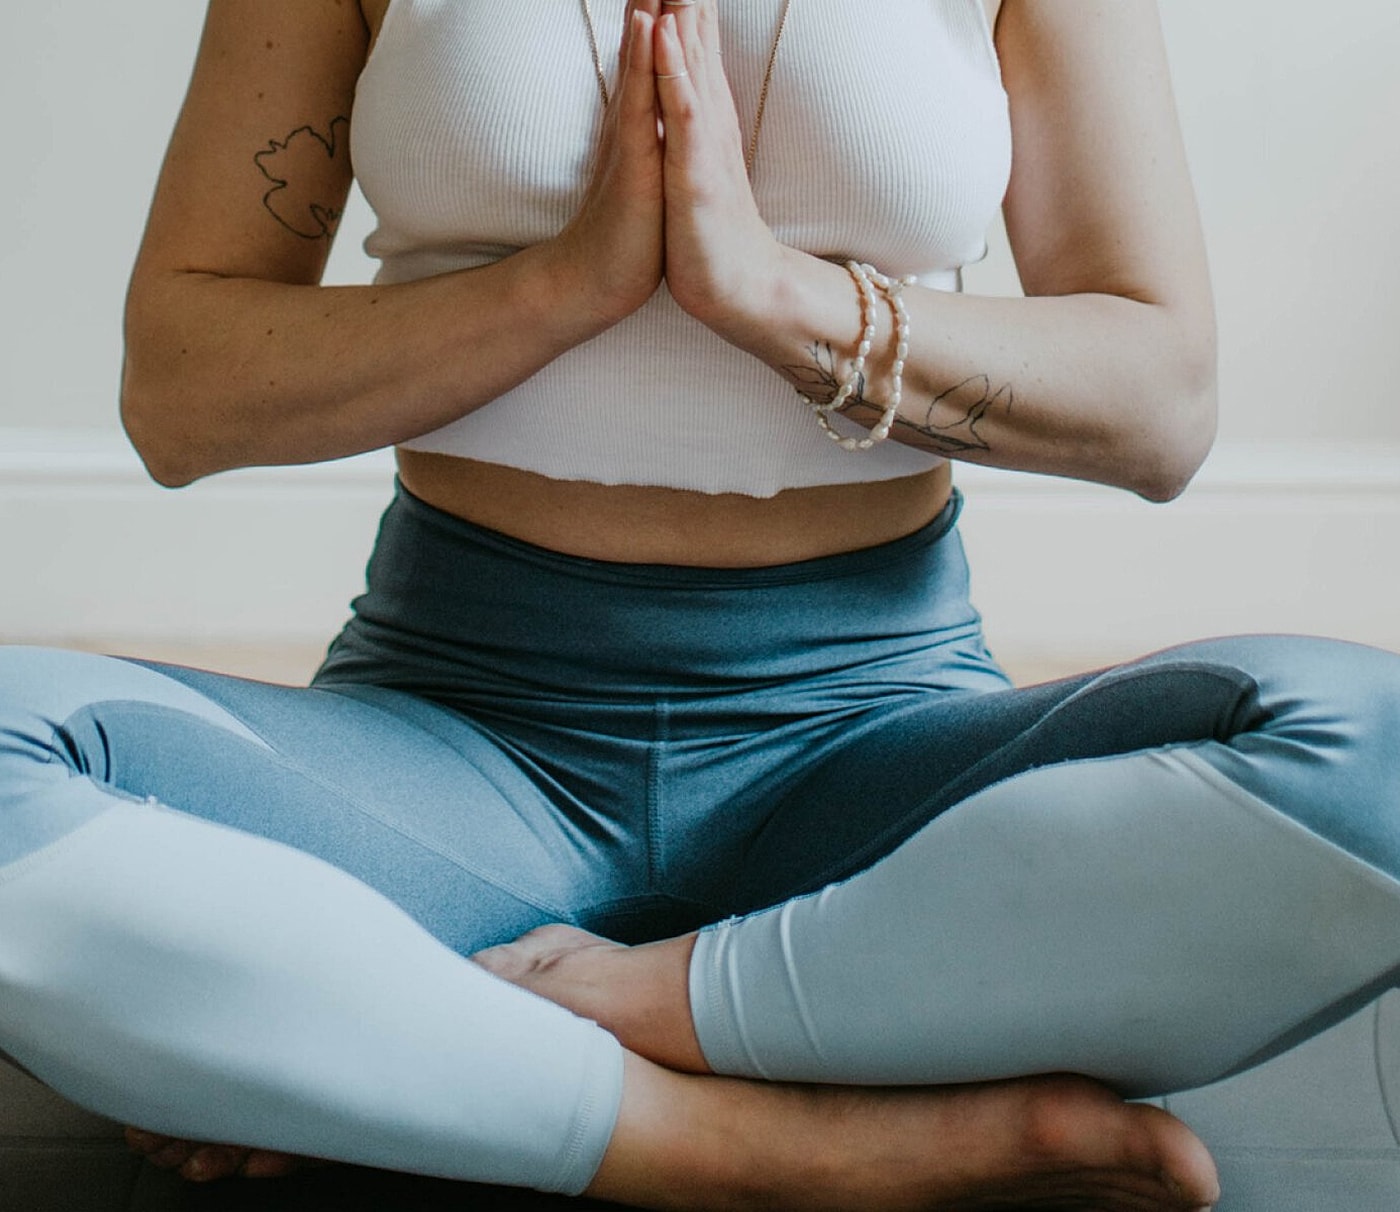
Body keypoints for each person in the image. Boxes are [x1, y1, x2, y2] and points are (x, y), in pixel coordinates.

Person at [3, 0, 1399, 1207]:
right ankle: (740, 1143)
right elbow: (179, 394)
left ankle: (457, 1044)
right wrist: (565, 288)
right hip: (445, 759)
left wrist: (779, 300)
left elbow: (1161, 403)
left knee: (1372, 753)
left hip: (877, 786)